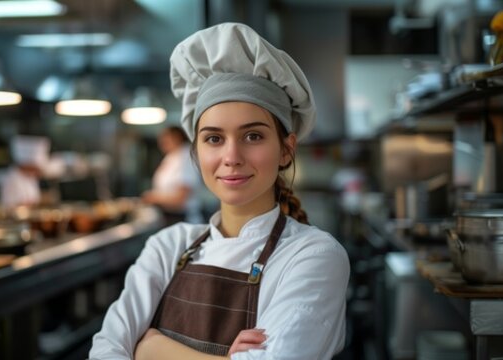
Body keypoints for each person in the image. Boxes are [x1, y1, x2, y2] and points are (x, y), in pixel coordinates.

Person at [90, 23, 348, 359]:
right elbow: (105, 351)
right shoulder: (168, 246)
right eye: (214, 138)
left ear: (286, 149)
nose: (231, 157)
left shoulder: (313, 256)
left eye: (253, 136)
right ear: (196, 153)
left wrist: (152, 349)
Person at [142, 126, 202, 225]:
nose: (161, 141)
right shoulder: (171, 156)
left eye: (165, 137)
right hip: (167, 216)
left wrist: (154, 198)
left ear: (177, 137)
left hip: (183, 219)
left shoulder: (186, 156)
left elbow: (181, 198)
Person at [0, 135, 49, 209]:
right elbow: (9, 206)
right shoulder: (10, 178)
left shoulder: (31, 177)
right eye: (34, 168)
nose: (37, 171)